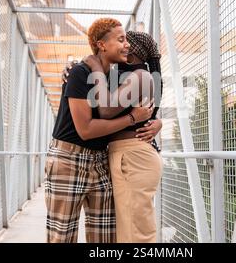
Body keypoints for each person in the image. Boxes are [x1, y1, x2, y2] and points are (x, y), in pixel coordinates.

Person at [45, 18, 154, 243]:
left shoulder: (114, 80)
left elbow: (144, 105)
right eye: (121, 39)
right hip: (69, 160)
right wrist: (132, 118)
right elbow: (86, 130)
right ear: (101, 45)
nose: (127, 45)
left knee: (105, 240)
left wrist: (156, 122)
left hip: (101, 162)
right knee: (61, 237)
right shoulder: (79, 73)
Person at [66, 31, 164, 243]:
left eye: (125, 42)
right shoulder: (123, 77)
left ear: (131, 53)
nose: (123, 45)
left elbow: (107, 110)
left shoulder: (139, 76)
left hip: (134, 157)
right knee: (128, 229)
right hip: (127, 155)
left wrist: (94, 68)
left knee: (137, 232)